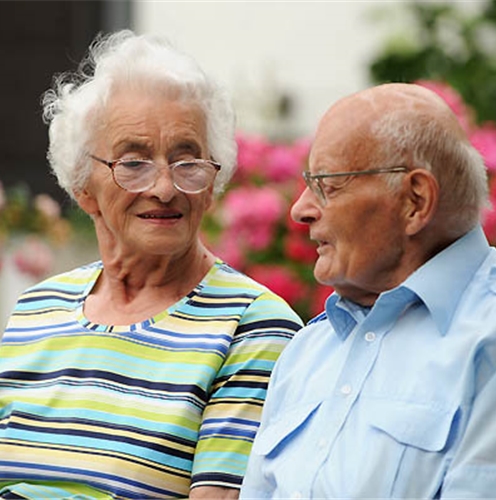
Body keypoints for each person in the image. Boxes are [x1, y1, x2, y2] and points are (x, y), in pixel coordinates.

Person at [0, 30, 303, 500]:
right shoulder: (38, 309)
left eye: (187, 162)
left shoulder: (252, 327)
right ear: (83, 184)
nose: (165, 187)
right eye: (134, 161)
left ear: (212, 180)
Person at [240, 82, 496, 499]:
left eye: (326, 183)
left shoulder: (489, 338)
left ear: (415, 201)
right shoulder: (309, 349)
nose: (300, 209)